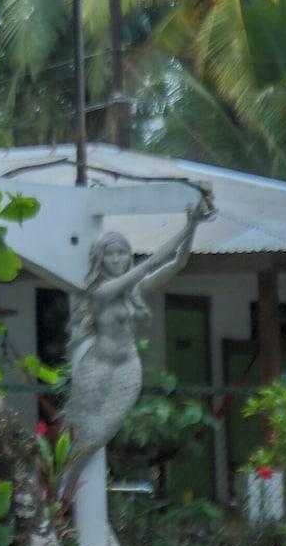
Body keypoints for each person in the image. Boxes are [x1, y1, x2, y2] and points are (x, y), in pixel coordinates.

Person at [59, 189, 215, 501]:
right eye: (110, 254)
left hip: (127, 368)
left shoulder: (135, 290)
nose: (117, 260)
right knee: (84, 433)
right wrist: (185, 225)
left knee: (103, 431)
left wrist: (193, 227)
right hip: (97, 366)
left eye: (121, 253)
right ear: (100, 259)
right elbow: (154, 260)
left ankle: (65, 490)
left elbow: (177, 262)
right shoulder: (102, 292)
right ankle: (62, 488)